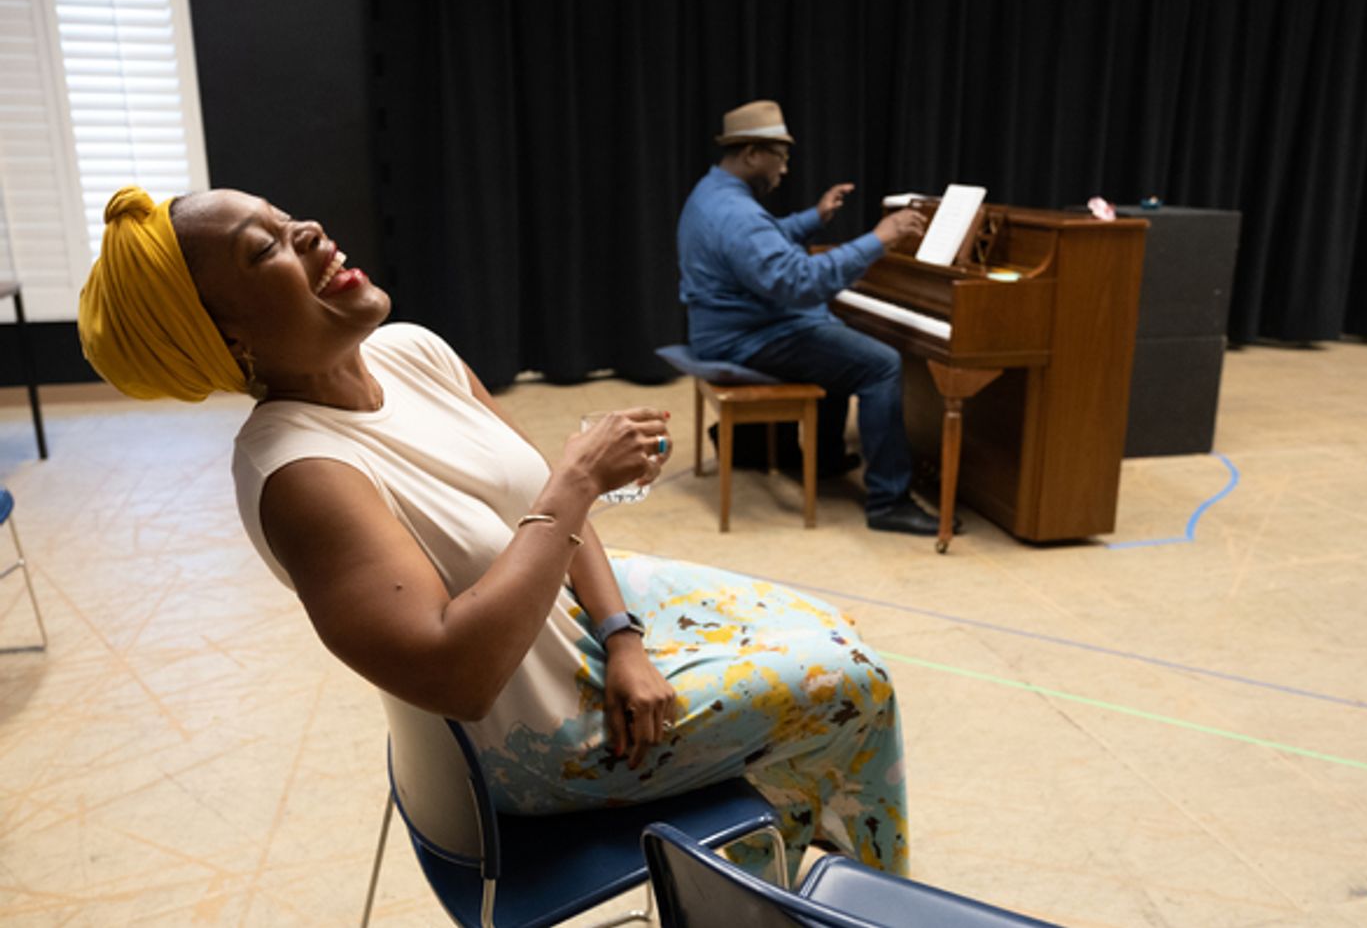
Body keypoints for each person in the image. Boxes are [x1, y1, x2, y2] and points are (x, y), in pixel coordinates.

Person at [76, 185, 909, 880]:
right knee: (859, 685)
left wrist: (623, 635)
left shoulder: (412, 351)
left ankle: (759, 888)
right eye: (265, 249)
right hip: (545, 737)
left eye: (284, 216)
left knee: (829, 628)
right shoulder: (299, 473)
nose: (309, 230)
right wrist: (578, 478)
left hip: (581, 630)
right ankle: (807, 895)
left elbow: (543, 511)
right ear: (227, 338)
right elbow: (459, 674)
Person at [678, 99, 948, 536]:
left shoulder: (714, 192)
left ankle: (824, 459)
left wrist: (814, 217)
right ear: (752, 154)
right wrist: (878, 240)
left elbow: (766, 239)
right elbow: (800, 281)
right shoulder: (737, 213)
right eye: (780, 157)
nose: (785, 169)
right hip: (742, 338)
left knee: (834, 337)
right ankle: (889, 502)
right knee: (880, 364)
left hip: (726, 328)